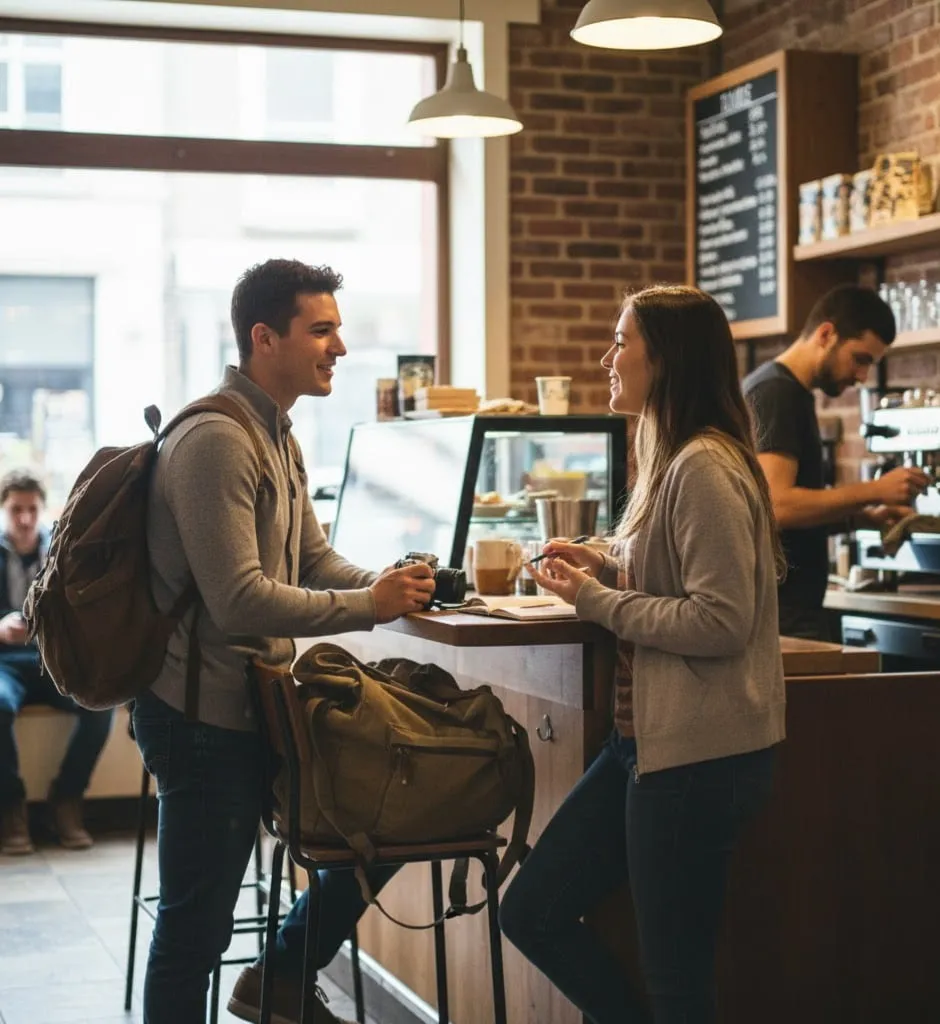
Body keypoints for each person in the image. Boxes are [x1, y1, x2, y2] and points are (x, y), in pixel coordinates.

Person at [131, 259, 436, 1024]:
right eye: (322, 330)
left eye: (337, 329)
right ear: (265, 338)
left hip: (259, 706)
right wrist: (368, 603)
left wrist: (393, 584)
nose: (338, 347)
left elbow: (309, 561)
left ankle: (279, 976)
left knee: (390, 819)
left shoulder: (279, 434)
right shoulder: (216, 440)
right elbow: (238, 600)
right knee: (195, 927)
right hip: (200, 716)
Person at [499, 285, 786, 1024]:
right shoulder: (671, 456)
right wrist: (595, 556)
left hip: (698, 758)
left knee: (676, 981)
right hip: (645, 749)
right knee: (531, 910)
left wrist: (591, 599)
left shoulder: (705, 468)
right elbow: (648, 551)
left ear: (667, 359)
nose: (607, 358)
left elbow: (721, 620)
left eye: (622, 342)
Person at [743, 284, 928, 640]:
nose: (862, 377)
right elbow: (776, 506)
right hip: (784, 614)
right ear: (827, 334)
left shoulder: (783, 390)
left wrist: (860, 518)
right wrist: (876, 490)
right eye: (860, 359)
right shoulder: (776, 393)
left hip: (789, 609)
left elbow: (785, 511)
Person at [0, 469, 113, 855]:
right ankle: (11, 808)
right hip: (3, 663)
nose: (26, 519)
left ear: (42, 508)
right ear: (4, 509)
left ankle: (66, 800)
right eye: (17, 509)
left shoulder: (60, 550)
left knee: (98, 704)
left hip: (50, 659)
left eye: (32, 509)